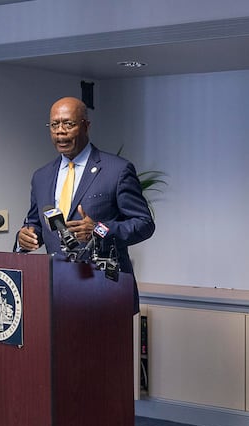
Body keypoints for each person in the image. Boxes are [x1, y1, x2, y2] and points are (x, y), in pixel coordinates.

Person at [16, 97, 155, 313]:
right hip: (56, 293)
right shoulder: (41, 176)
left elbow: (144, 224)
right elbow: (34, 223)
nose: (60, 131)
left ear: (86, 126)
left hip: (106, 291)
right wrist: (25, 237)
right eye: (54, 125)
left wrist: (99, 230)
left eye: (68, 124)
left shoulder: (116, 170)